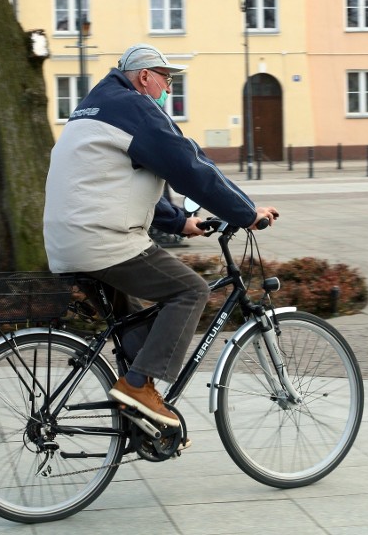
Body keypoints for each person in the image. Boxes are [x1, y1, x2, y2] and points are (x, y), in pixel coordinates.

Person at [43, 43, 279, 428]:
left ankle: (137, 412)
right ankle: (138, 386)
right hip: (102, 240)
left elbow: (118, 180)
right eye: (165, 80)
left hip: (69, 240)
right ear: (145, 77)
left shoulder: (97, 105)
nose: (167, 89)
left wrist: (180, 223)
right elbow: (189, 165)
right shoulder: (136, 108)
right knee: (190, 291)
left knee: (134, 321)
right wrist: (245, 212)